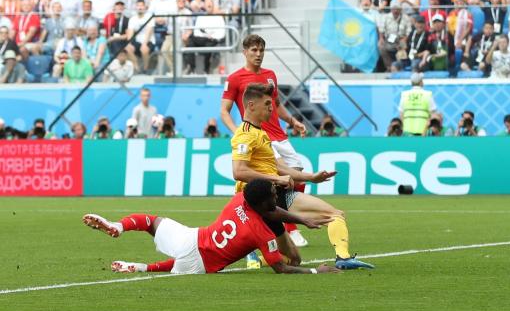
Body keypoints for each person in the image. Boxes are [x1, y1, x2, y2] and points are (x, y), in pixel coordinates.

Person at [231, 83, 374, 270]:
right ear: (251, 106)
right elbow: (238, 171)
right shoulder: (244, 135)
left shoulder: (261, 133)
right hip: (259, 202)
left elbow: (278, 165)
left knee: (294, 260)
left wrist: (310, 177)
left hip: (273, 198)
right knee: (335, 215)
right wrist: (276, 179)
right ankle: (343, 258)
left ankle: (260, 257)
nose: (271, 108)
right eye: (267, 103)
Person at [82, 180, 338, 275]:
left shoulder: (240, 198)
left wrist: (302, 219)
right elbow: (280, 267)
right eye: (273, 194)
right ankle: (142, 267)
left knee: (152, 222)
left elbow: (269, 209)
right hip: (200, 262)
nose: (276, 196)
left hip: (192, 238)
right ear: (263, 203)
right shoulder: (260, 232)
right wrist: (316, 270)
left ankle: (119, 227)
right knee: (182, 264)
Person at [220, 34, 311, 261]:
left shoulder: (270, 76)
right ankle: (287, 229)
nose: (258, 54)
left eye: (261, 50)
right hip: (257, 139)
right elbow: (224, 111)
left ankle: (280, 225)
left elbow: (277, 105)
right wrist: (239, 133)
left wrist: (292, 121)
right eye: (253, 50)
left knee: (297, 177)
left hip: (278, 135)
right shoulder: (235, 78)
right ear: (245, 52)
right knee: (260, 184)